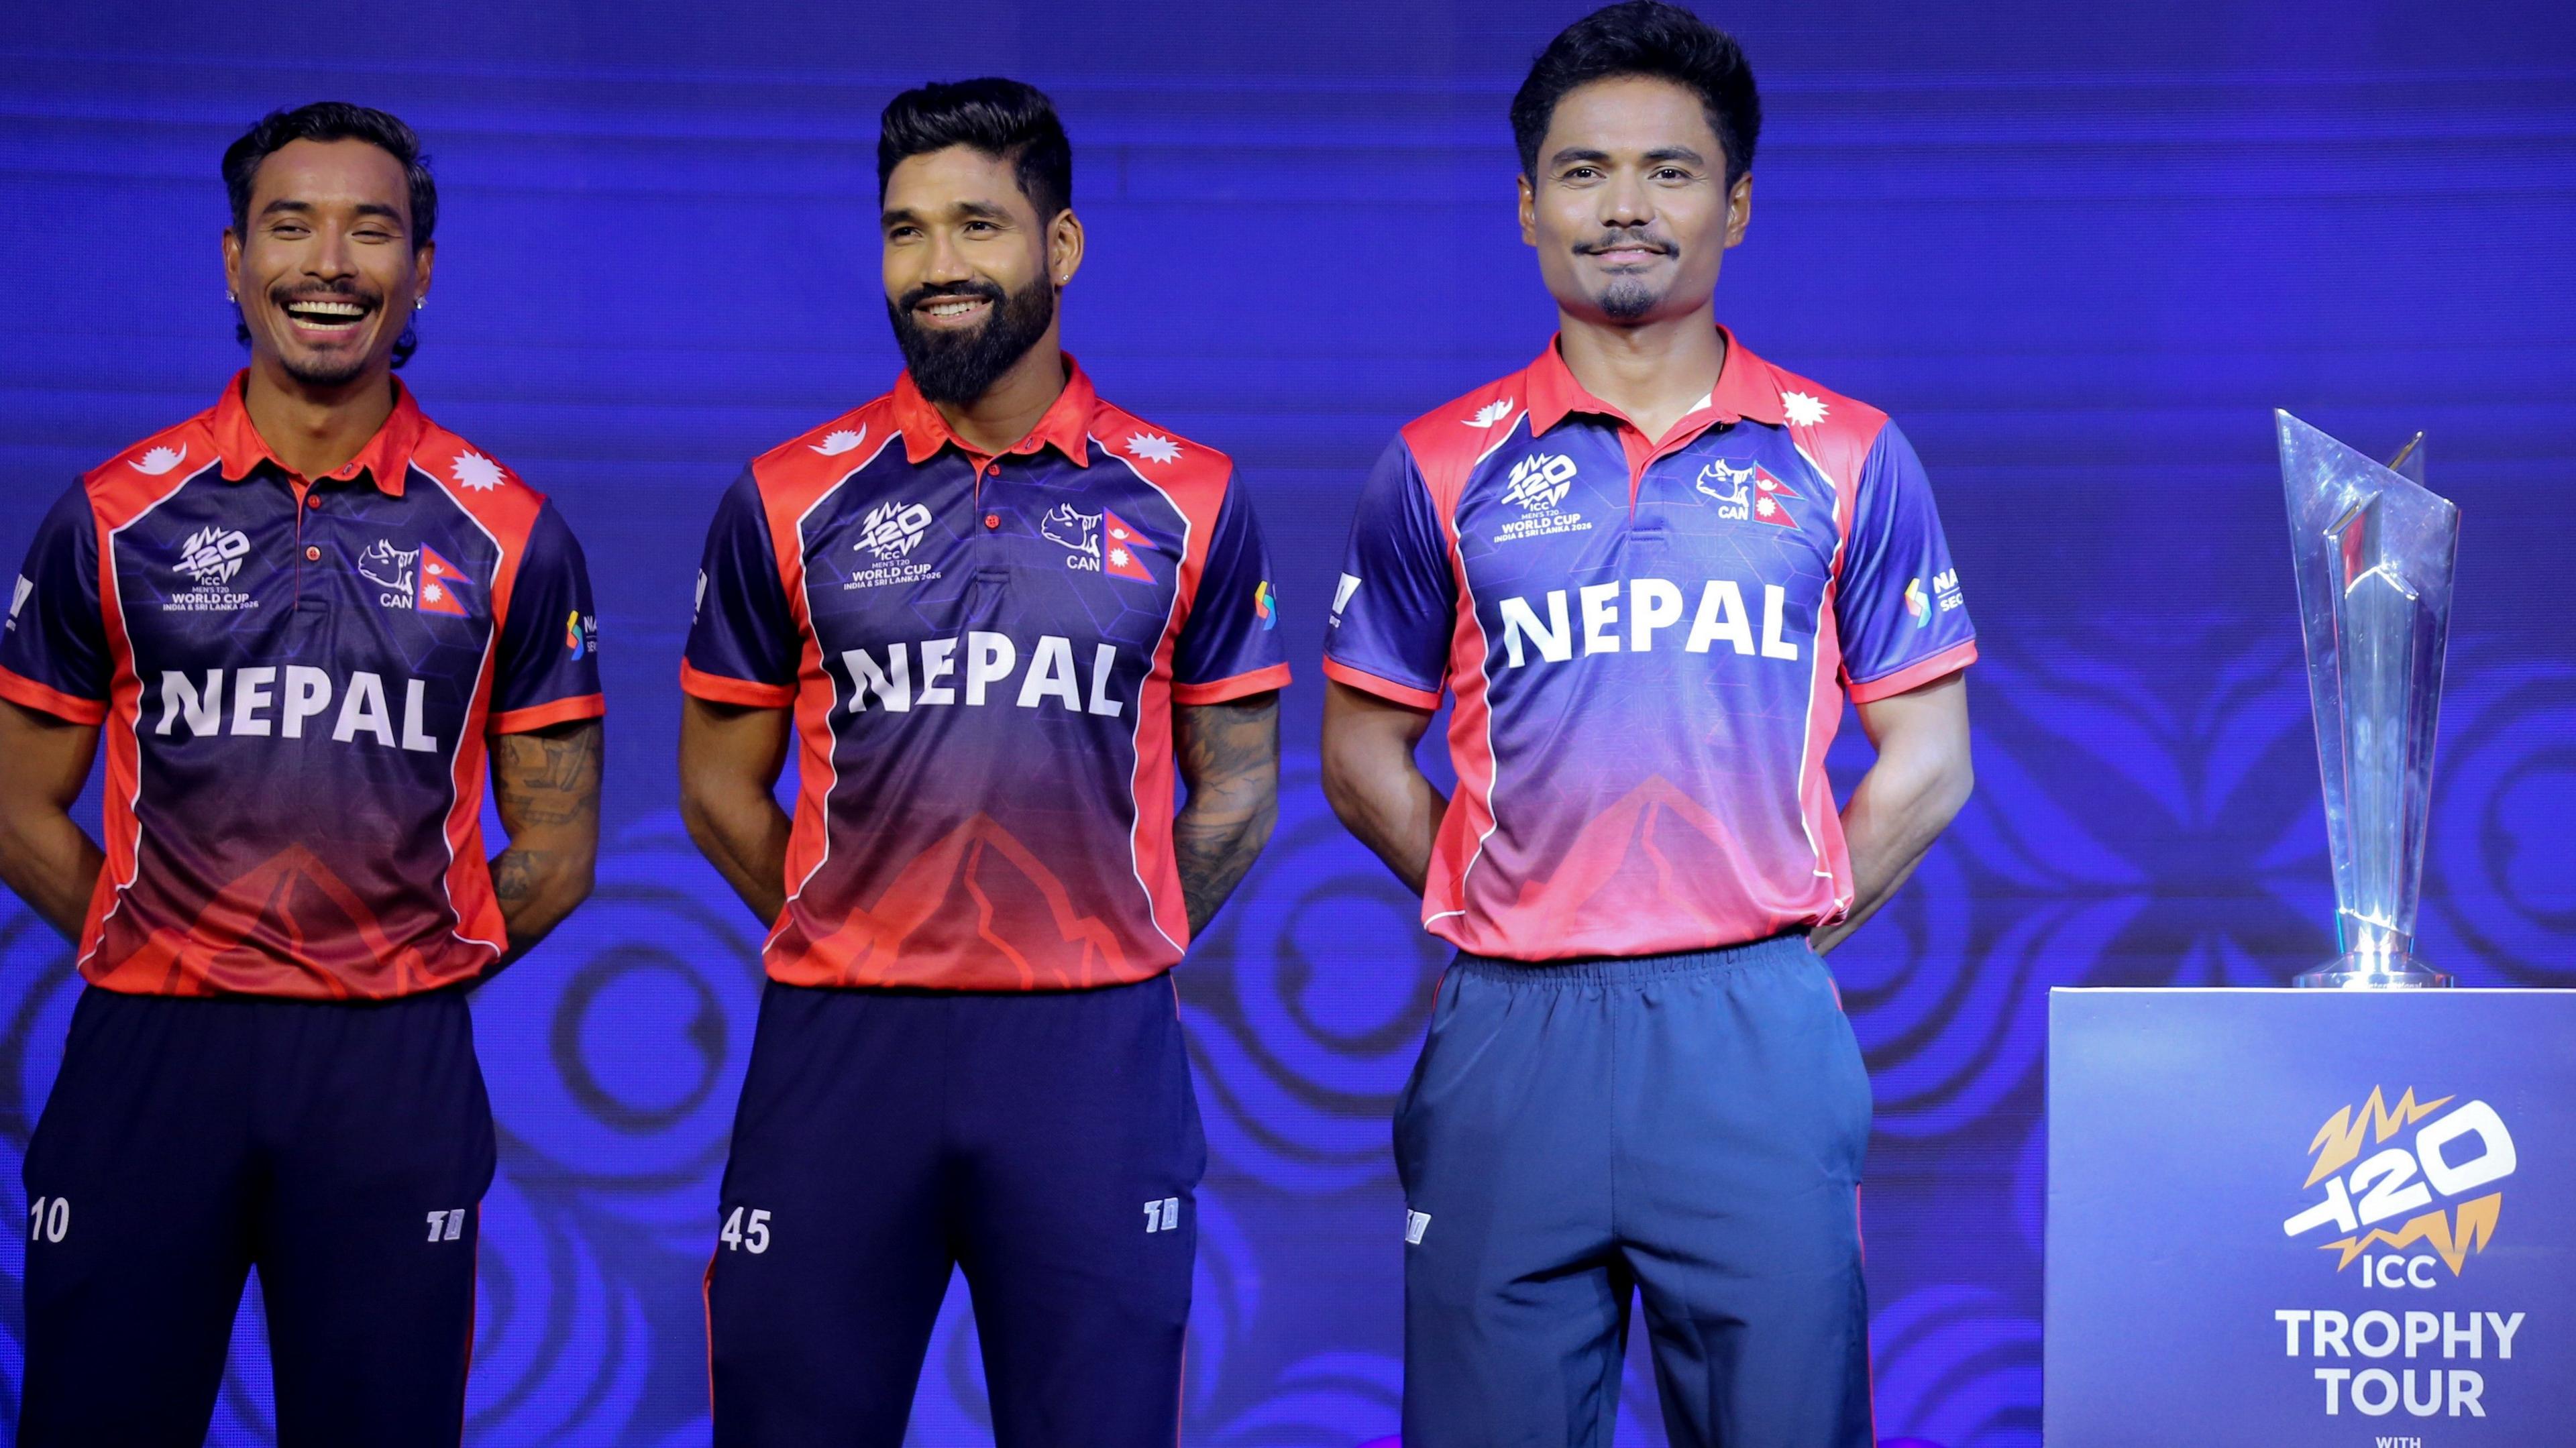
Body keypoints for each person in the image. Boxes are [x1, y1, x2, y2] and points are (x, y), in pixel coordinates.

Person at [1318, 6, 1978, 1445]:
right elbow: (1362, 751)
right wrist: (1499, 892)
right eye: (1584, 172)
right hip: (1511, 1032)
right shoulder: (1439, 462)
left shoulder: (1847, 451)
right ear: (1528, 206)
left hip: (1752, 1028)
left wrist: (1789, 915)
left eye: (1671, 173)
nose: (1625, 207)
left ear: (1736, 203)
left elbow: (1930, 756)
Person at [679, 77, 1289, 1447]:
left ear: (1059, 246)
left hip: (1091, 1055)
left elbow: (1238, 787)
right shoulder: (789, 493)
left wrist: (1118, 932)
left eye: (976, 226)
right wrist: (853, 919)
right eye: (906, 232)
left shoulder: (1188, 494)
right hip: (841, 1048)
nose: (939, 267)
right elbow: (718, 784)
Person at [0, 101, 604, 1445]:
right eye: (291, 224)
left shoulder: (511, 533)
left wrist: (390, 967)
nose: (328, 259)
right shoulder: (113, 513)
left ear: (422, 273)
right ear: (231, 261)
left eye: (370, 228)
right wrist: (151, 938)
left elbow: (557, 852)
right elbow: (13, 796)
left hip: (389, 1064)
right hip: (153, 1051)